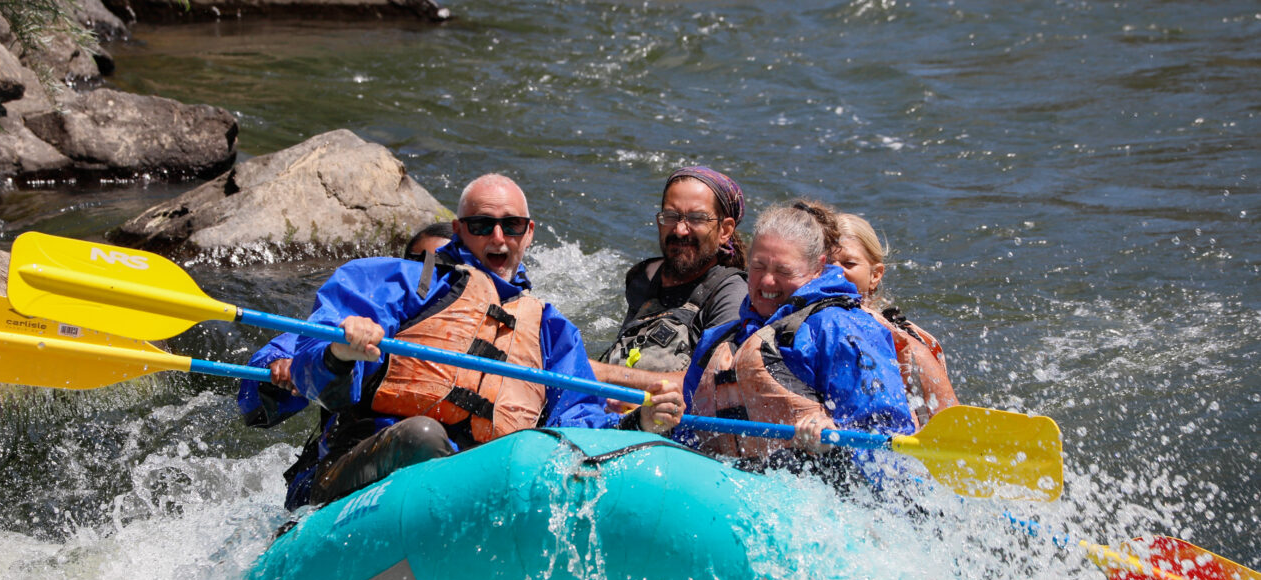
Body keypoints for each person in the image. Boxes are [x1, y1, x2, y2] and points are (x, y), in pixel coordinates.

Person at [289, 173, 683, 506]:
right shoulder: (397, 282)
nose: (498, 237)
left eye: (511, 225)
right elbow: (310, 366)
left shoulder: (552, 330)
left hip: (479, 488)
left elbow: (580, 427)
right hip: (367, 469)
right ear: (459, 230)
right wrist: (340, 350)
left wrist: (639, 422)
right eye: (481, 225)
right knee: (421, 436)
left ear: (528, 233)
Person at [659, 204, 913, 476]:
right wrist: (656, 420)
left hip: (817, 489)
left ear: (818, 268)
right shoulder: (718, 339)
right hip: (726, 483)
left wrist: (834, 440)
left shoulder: (838, 328)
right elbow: (686, 436)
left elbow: (886, 434)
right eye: (758, 266)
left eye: (784, 271)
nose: (767, 281)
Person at [234, 222, 458, 508]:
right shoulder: (360, 318)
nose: (431, 272)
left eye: (446, 265)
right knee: (420, 436)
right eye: (422, 262)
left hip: (444, 466)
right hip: (349, 469)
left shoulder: (472, 335)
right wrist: (281, 366)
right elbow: (256, 399)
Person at [588, 166, 748, 394]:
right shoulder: (644, 277)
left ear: (725, 230)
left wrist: (606, 374)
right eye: (671, 216)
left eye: (697, 218)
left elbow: (711, 385)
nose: (681, 230)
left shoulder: (731, 294)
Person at [830, 210, 958, 427]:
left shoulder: (911, 347)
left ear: (875, 274)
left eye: (849, 263)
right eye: (827, 263)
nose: (835, 271)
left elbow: (952, 421)